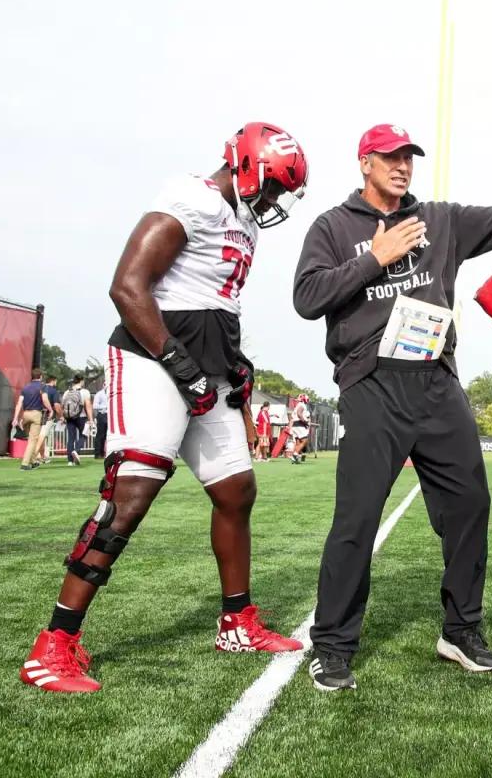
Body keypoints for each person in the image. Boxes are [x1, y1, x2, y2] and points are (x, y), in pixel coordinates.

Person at [294, 121, 492, 692]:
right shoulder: (333, 226)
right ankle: (333, 645)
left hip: (436, 382)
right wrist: (375, 256)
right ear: (364, 164)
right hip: (372, 384)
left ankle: (460, 629)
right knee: (357, 518)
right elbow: (307, 298)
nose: (402, 166)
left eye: (409, 158)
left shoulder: (439, 219)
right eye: (390, 157)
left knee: (470, 504)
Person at [19, 121, 309, 693]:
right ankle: (54, 644)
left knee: (236, 491)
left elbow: (211, 299)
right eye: (272, 186)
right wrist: (182, 366)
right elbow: (128, 287)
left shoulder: (242, 220)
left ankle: (236, 622)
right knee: (129, 496)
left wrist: (233, 361)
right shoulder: (189, 200)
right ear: (246, 166)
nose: (273, 200)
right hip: (155, 358)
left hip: (206, 364)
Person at [12, 369, 53, 471]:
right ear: (41, 376)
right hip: (36, 414)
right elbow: (44, 399)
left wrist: (15, 418)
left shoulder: (25, 387)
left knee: (30, 439)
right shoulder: (42, 386)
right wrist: (50, 409)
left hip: (25, 415)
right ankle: (25, 464)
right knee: (32, 441)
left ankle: (33, 461)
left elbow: (19, 403)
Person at [61, 374, 94, 466]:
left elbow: (62, 405)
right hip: (81, 416)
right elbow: (88, 405)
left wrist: (63, 416)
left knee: (71, 438)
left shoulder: (67, 392)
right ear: (81, 381)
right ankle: (76, 450)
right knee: (84, 434)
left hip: (69, 417)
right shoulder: (85, 392)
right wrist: (91, 419)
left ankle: (70, 461)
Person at [35, 376, 62, 464]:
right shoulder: (53, 391)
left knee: (40, 435)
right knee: (43, 435)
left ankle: (41, 456)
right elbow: (57, 406)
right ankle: (34, 454)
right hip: (47, 414)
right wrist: (61, 415)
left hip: (36, 413)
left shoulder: (39, 388)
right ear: (53, 381)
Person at [290, 394, 310, 464]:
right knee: (305, 440)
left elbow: (293, 416)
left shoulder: (298, 405)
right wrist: (304, 421)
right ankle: (295, 454)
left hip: (295, 425)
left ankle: (295, 458)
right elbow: (299, 414)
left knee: (298, 442)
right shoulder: (302, 405)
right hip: (299, 424)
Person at [92, 381, 109, 459]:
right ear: (103, 385)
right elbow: (95, 406)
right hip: (102, 415)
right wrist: (105, 407)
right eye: (105, 384)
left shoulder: (112, 393)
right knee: (100, 435)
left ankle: (103, 453)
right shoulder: (99, 394)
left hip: (110, 415)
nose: (106, 386)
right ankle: (97, 453)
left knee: (107, 435)